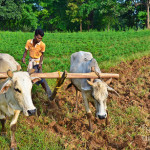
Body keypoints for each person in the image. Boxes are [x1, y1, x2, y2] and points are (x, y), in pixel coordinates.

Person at [22, 29, 52, 100]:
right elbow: (25, 51)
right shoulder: (29, 42)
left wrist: (40, 63)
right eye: (38, 38)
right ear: (34, 36)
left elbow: (42, 55)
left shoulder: (42, 44)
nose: (39, 39)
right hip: (30, 61)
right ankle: (29, 93)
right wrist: (23, 57)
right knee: (29, 77)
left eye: (41, 38)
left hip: (37, 61)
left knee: (40, 77)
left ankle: (48, 93)